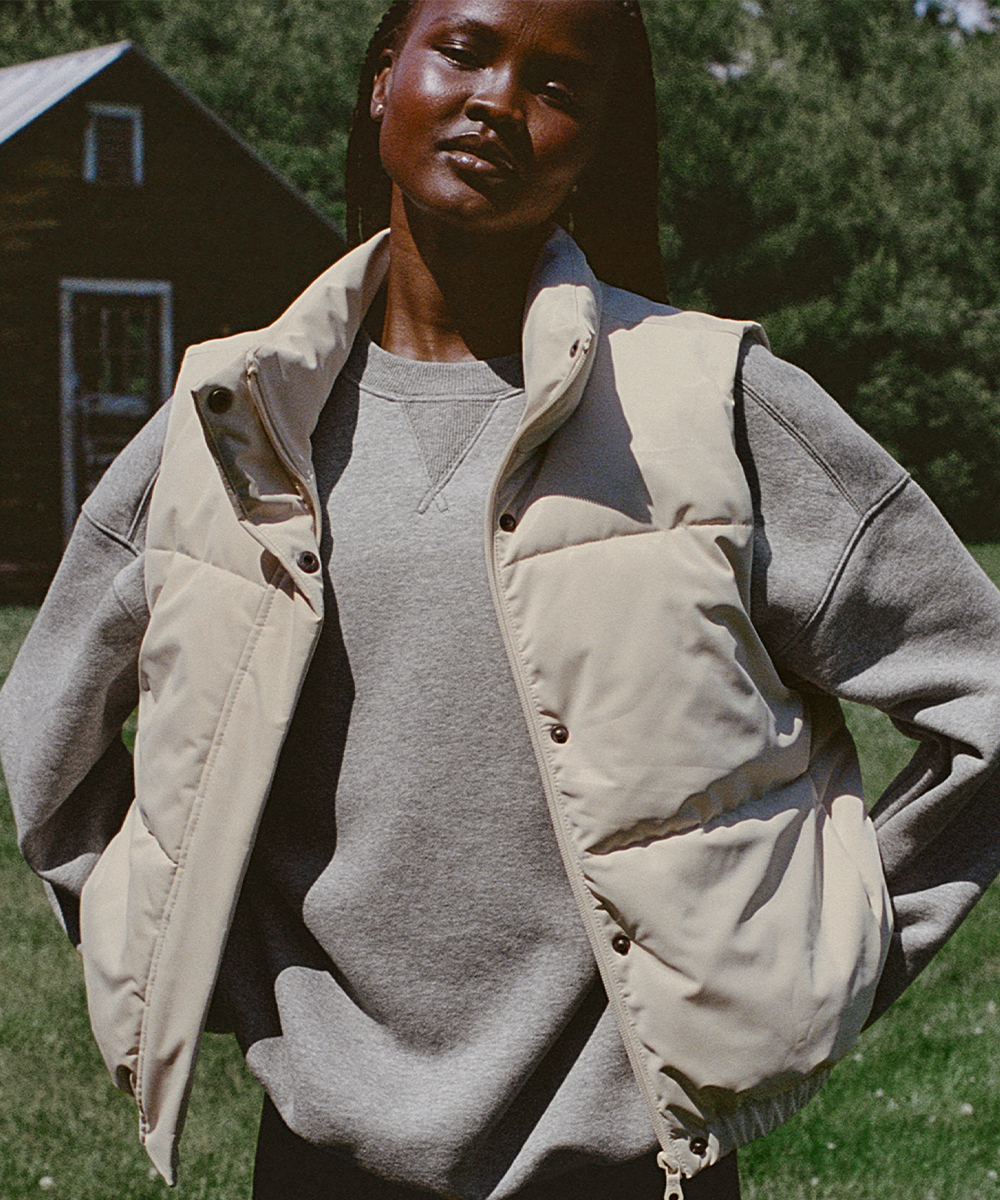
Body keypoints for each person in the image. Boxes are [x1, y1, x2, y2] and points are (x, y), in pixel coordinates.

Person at [3, 2, 1000, 1198]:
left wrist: (819, 957)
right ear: (384, 81)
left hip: (633, 1167)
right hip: (319, 1159)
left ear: (596, 140)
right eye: (464, 50)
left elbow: (979, 691)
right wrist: (169, 940)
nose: (496, 100)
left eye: (559, 84)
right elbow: (49, 732)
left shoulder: (709, 404)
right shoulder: (235, 418)